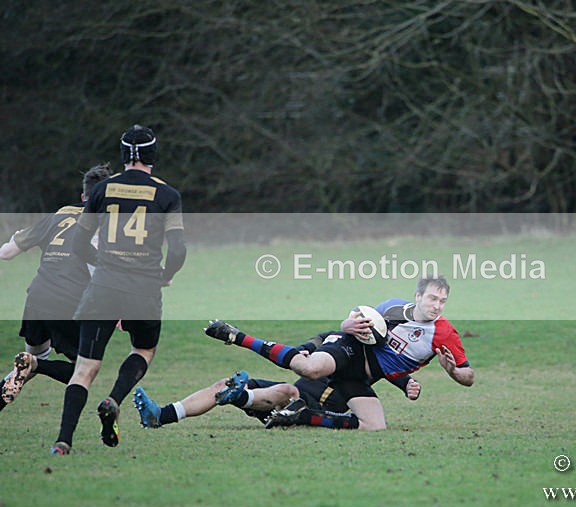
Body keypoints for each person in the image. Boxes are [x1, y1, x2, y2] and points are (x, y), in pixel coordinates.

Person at [51, 125, 187, 455]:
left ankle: (63, 441)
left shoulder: (102, 190)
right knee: (143, 350)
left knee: (85, 368)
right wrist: (164, 275)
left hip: (104, 287)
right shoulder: (167, 194)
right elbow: (179, 250)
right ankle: (114, 399)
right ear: (153, 155)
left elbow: (80, 243)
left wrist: (104, 262)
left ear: (124, 155)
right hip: (144, 289)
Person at [204, 276, 473, 430]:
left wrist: (452, 371)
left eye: (442, 301)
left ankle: (301, 415)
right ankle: (238, 337)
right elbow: (354, 324)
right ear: (418, 296)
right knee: (309, 368)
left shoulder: (445, 333)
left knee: (374, 426)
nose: (437, 306)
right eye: (432, 299)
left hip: (359, 378)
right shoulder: (391, 308)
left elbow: (468, 376)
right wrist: (346, 325)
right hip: (351, 351)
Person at [0, 163, 111, 411]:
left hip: (37, 295)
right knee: (83, 368)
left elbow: (6, 253)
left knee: (32, 357)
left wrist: (15, 236)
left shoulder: (59, 214)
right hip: (69, 299)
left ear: (83, 196)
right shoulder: (106, 223)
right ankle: (37, 366)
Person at [132, 368, 420, 431]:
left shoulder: (368, 358)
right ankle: (162, 415)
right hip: (283, 395)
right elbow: (302, 351)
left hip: (305, 406)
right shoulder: (333, 339)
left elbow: (390, 368)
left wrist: (407, 383)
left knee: (288, 392)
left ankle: (241, 396)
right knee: (223, 383)